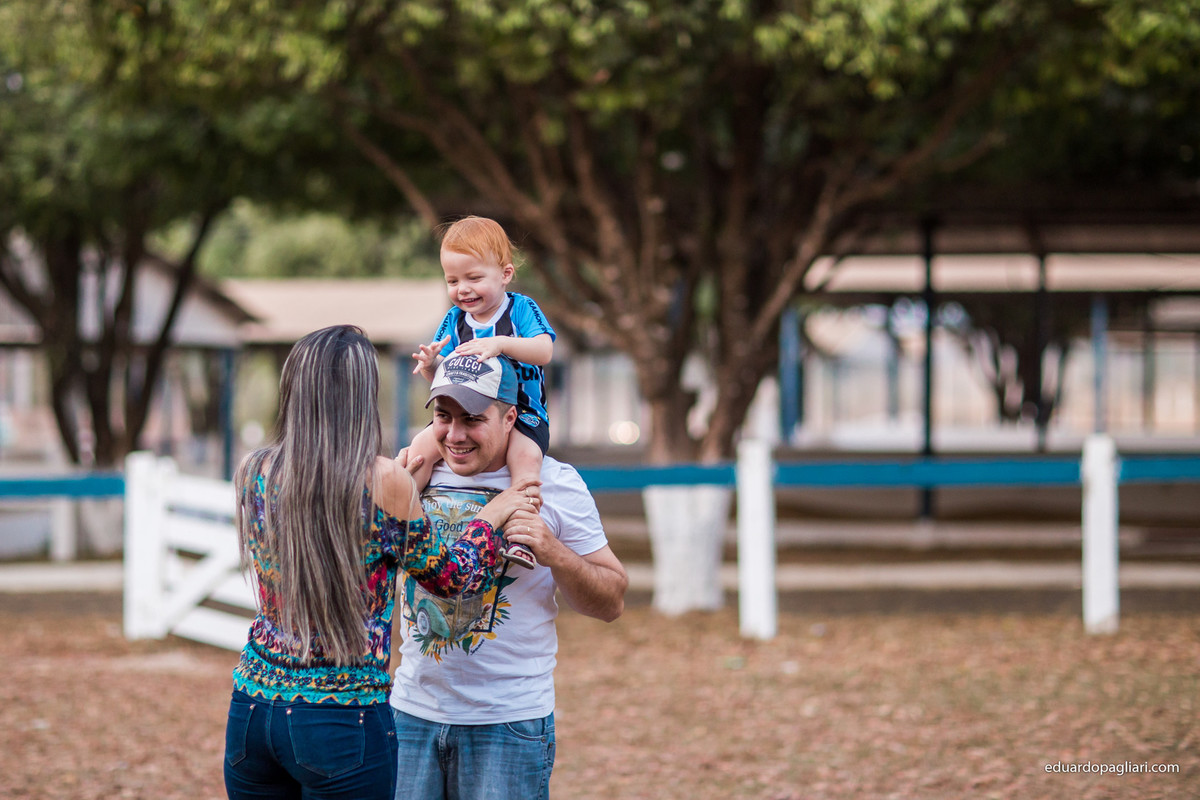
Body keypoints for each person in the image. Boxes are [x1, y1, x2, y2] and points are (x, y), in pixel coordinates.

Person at [223, 325, 540, 800]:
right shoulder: (383, 480)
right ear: (359, 396)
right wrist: (492, 516)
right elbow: (453, 580)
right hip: (340, 718)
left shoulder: (255, 470)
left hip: (251, 709)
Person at [391, 353, 629, 800]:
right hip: (410, 715)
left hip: (508, 723)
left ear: (510, 418)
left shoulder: (554, 485)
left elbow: (612, 601)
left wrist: (554, 552)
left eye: (473, 420)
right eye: (443, 417)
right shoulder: (412, 474)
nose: (455, 435)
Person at [408, 215, 555, 569]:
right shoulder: (454, 320)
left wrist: (502, 343)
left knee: (525, 463)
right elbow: (446, 382)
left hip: (522, 411)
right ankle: (404, 521)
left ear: (504, 274)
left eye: (474, 278)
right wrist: (430, 364)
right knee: (418, 451)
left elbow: (544, 350)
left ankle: (522, 536)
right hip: (467, 410)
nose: (463, 289)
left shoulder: (519, 309)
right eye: (453, 280)